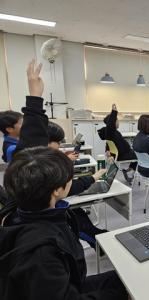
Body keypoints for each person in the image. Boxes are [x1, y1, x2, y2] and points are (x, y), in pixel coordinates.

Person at [2, 60, 107, 251]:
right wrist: (91, 177)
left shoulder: (23, 191)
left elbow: (31, 142)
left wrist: (35, 97)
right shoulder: (44, 248)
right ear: (56, 189)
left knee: (79, 215)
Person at [0, 147, 128, 299]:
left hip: (67, 283)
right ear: (55, 190)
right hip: (63, 290)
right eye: (69, 177)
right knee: (126, 289)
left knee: (124, 279)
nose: (71, 181)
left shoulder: (19, 211)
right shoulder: (41, 253)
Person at [98, 103, 137, 182]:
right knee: (140, 154)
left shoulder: (111, 133)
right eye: (117, 120)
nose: (119, 122)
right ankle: (130, 171)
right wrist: (114, 112)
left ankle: (129, 171)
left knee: (136, 152)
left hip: (121, 154)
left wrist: (107, 151)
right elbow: (110, 125)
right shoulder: (111, 131)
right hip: (122, 155)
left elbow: (108, 143)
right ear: (113, 122)